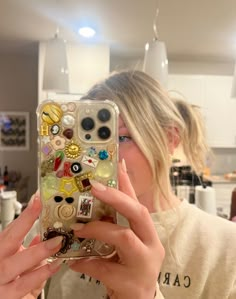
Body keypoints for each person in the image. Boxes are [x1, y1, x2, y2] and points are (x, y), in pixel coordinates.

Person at [0, 70, 235, 299]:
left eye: (121, 137)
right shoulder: (55, 223)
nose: (99, 157)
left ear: (170, 139)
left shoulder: (224, 247)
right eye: (88, 141)